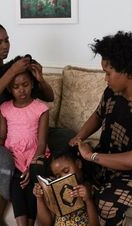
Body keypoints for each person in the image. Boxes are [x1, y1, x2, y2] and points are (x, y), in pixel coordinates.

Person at [0, 22, 54, 226]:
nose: (5, 45)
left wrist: (39, 79)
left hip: (22, 130)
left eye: (7, 40)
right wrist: (11, 72)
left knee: (63, 137)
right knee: (7, 161)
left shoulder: (14, 71)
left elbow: (48, 97)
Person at [69, 31, 132, 226]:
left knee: (106, 202)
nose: (105, 79)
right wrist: (78, 138)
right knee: (65, 161)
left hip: (128, 172)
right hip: (104, 159)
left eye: (108, 73)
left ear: (128, 72)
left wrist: (92, 157)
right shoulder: (112, 92)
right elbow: (98, 115)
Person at [33, 146, 100, 226]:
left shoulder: (90, 188)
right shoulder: (56, 191)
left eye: (66, 171)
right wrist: (39, 198)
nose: (63, 177)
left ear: (78, 164)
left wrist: (88, 200)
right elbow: (44, 224)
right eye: (58, 177)